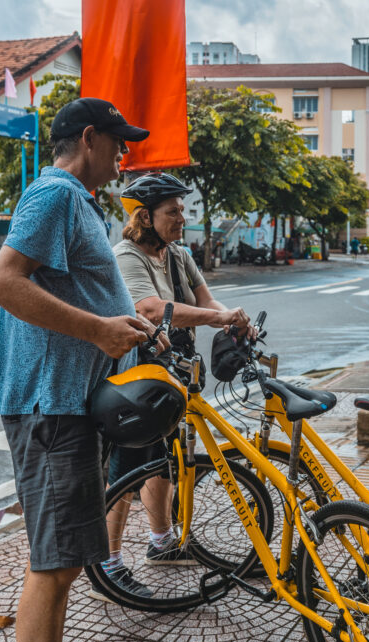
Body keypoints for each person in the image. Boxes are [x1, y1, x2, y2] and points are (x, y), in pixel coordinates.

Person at [0, 97, 160, 642]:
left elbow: (84, 296)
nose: (123, 154)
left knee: (67, 560)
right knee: (55, 564)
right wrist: (99, 330)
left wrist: (126, 327)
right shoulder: (54, 194)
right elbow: (2, 282)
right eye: (118, 141)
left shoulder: (80, 204)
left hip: (70, 405)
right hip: (49, 405)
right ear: (89, 138)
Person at [89, 172, 254, 601]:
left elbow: (205, 299)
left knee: (166, 456)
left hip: (176, 370)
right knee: (129, 465)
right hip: (139, 375)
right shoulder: (126, 256)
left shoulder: (177, 254)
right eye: (172, 211)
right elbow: (149, 307)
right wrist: (217, 318)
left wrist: (231, 318)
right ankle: (109, 560)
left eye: (183, 209)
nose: (182, 217)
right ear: (145, 216)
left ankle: (161, 541)